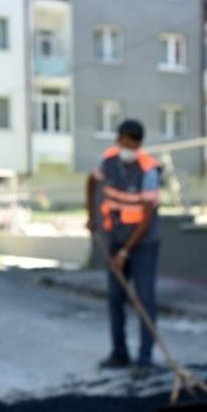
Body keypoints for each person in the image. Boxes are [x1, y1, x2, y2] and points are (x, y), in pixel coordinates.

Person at [86, 119, 163, 374]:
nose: (127, 149)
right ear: (118, 139)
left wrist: (126, 252)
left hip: (144, 243)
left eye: (132, 146)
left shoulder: (148, 171)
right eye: (124, 144)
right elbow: (91, 181)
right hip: (116, 238)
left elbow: (147, 217)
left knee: (145, 299)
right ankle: (119, 354)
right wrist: (91, 216)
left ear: (139, 145)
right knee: (115, 298)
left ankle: (145, 360)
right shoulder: (108, 159)